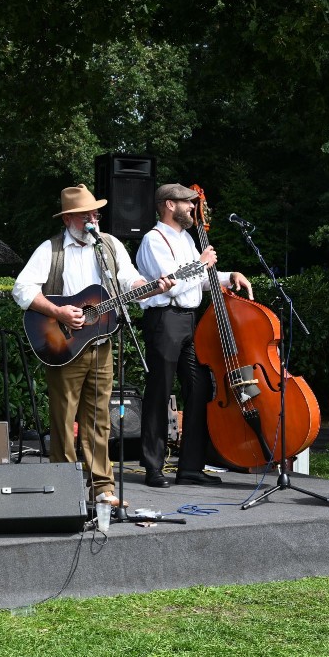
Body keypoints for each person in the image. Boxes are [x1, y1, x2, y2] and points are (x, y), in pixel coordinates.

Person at [12, 184, 173, 506]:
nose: (93, 218)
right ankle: (64, 488)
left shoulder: (109, 245)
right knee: (63, 418)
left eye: (95, 213)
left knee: (100, 419)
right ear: (69, 217)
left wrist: (153, 287)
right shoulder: (51, 249)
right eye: (86, 214)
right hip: (64, 346)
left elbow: (129, 280)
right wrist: (58, 311)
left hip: (101, 344)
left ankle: (103, 489)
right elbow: (21, 289)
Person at [135, 183, 253, 487]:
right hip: (164, 318)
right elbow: (170, 282)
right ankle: (153, 466)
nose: (192, 207)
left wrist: (227, 276)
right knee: (160, 391)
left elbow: (200, 280)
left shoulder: (187, 238)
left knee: (200, 388)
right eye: (187, 202)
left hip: (189, 320)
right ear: (169, 205)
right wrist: (200, 263)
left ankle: (190, 466)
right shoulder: (153, 239)